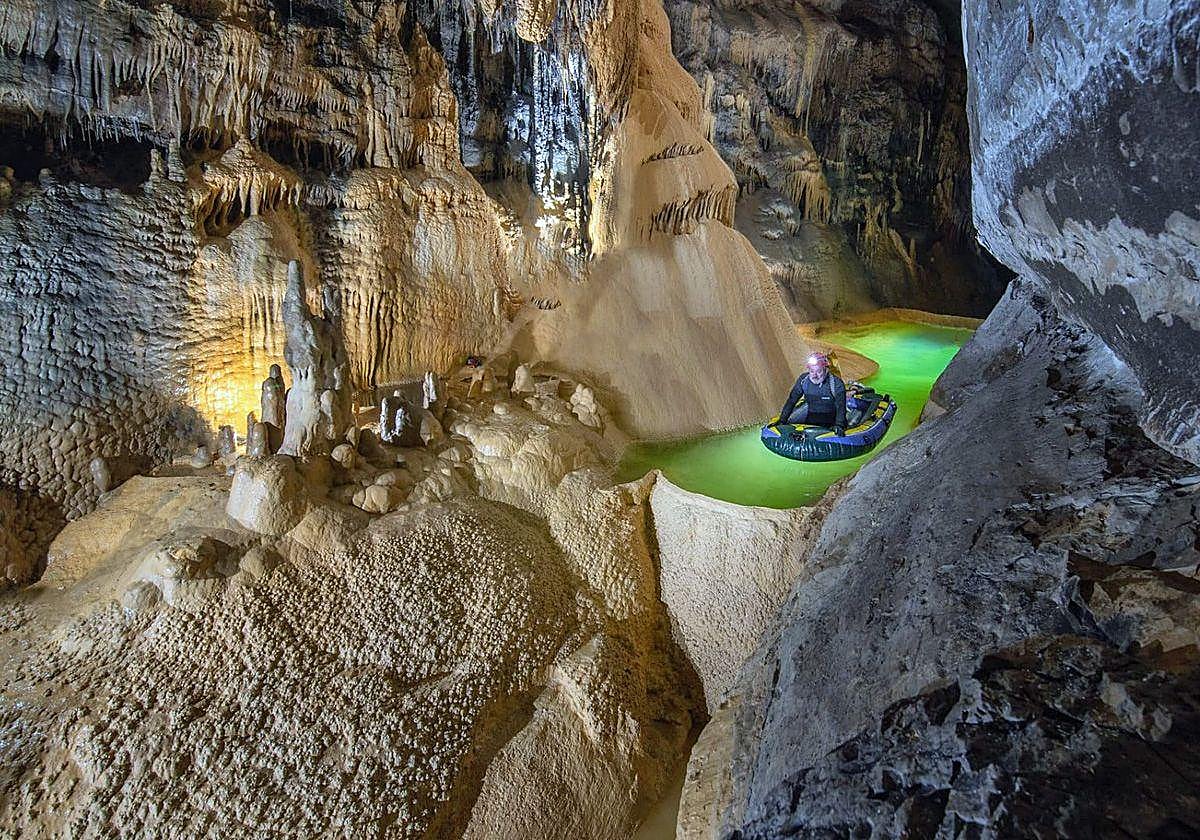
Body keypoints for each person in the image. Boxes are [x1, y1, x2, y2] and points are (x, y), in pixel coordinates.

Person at [776, 352, 847, 435]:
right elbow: (792, 401)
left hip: (831, 423)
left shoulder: (836, 383)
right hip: (811, 421)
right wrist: (782, 420)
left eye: (819, 371)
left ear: (825, 369)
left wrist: (839, 425)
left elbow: (841, 407)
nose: (815, 375)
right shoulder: (803, 380)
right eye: (812, 371)